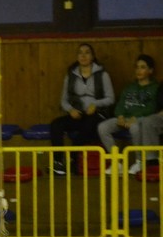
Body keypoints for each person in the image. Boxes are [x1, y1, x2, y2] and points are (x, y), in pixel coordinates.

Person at [50, 43, 115, 175]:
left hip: (97, 114)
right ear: (77, 57)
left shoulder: (102, 74)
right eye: (80, 53)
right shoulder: (71, 75)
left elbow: (111, 98)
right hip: (78, 114)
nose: (83, 55)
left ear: (93, 56)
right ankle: (58, 163)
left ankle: (73, 159)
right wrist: (70, 110)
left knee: (88, 126)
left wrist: (96, 104)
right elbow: (63, 100)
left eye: (87, 52)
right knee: (56, 124)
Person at [99, 54, 158, 174]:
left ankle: (139, 161)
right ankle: (116, 161)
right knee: (103, 127)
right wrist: (120, 116)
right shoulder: (129, 87)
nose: (139, 70)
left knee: (135, 127)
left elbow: (152, 107)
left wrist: (135, 118)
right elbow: (120, 104)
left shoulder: (155, 88)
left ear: (150, 70)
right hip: (124, 118)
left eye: (143, 67)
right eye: (137, 67)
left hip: (141, 119)